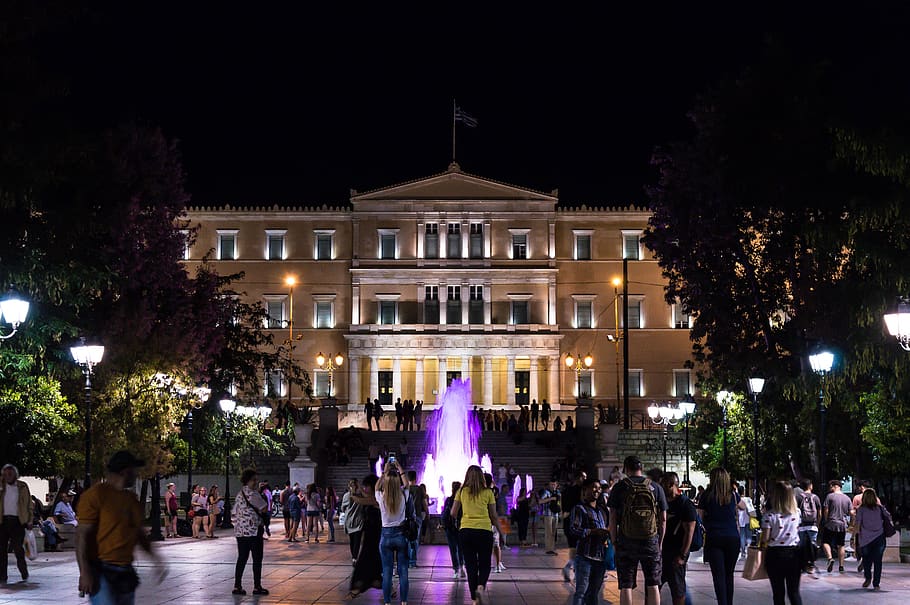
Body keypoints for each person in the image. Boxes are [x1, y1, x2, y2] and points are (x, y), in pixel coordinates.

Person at [76, 451, 165, 603]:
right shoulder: (96, 495)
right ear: (125, 471)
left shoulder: (132, 500)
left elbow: (139, 534)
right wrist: (85, 572)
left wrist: (156, 559)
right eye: (134, 470)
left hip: (125, 572)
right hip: (101, 571)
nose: (136, 474)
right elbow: (81, 536)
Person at [608, 455, 667, 605]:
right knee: (653, 583)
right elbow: (663, 519)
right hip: (650, 539)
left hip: (626, 539)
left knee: (626, 584)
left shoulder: (620, 487)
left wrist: (614, 541)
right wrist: (659, 542)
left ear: (626, 469)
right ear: (641, 468)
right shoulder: (655, 487)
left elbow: (613, 517)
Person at [451, 465, 500, 605]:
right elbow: (493, 515)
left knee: (470, 565)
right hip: (484, 531)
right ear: (481, 477)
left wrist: (462, 517)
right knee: (485, 563)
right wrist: (501, 532)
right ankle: (481, 586)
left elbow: (453, 512)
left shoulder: (461, 491)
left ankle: (474, 599)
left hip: (466, 531)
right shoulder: (488, 492)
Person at [696, 467, 740, 605]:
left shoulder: (706, 495)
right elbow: (744, 507)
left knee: (718, 575)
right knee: (729, 574)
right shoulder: (732, 494)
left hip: (714, 537)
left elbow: (700, 517)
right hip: (732, 537)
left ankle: (722, 602)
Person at [760, 481, 803, 605]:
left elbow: (765, 538)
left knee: (778, 592)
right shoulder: (797, 513)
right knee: (794, 591)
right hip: (794, 553)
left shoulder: (769, 515)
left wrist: (762, 548)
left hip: (775, 554)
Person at [376, 460, 410, 605]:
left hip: (386, 535)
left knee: (387, 571)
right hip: (401, 535)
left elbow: (376, 487)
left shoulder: (381, 497)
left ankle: (388, 602)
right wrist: (399, 467)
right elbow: (407, 484)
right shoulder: (403, 497)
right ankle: (404, 601)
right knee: (403, 570)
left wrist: (384, 472)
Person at [231, 468, 270, 596]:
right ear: (248, 480)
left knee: (242, 558)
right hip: (254, 531)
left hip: (241, 532)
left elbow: (234, 512)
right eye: (254, 480)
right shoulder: (254, 494)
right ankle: (257, 586)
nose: (256, 482)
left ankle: (237, 586)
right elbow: (264, 508)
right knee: (257, 559)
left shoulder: (239, 494)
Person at [659, 472, 695, 605]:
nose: (661, 487)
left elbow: (689, 532)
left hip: (675, 552)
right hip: (661, 551)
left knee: (678, 590)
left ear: (671, 485)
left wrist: (682, 555)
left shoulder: (685, 504)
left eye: (663, 484)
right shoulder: (661, 502)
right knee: (653, 587)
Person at [349, 474, 383, 597]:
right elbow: (365, 495)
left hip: (375, 534)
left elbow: (359, 500)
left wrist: (353, 493)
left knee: (367, 558)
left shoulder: (376, 499)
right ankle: (376, 582)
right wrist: (358, 487)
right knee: (371, 559)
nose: (364, 489)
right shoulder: (373, 497)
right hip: (370, 533)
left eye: (366, 486)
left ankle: (359, 585)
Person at [0, 463, 32, 584]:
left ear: (15, 474)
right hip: (2, 521)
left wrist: (29, 519)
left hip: (17, 521)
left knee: (18, 548)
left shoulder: (22, 486)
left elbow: (29, 504)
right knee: (1, 550)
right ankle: (2, 576)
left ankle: (23, 571)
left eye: (10, 473)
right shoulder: (1, 487)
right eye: (5, 474)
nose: (8, 476)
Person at [855, 487, 889, 591]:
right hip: (879, 538)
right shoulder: (879, 508)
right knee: (878, 561)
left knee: (866, 560)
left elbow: (857, 524)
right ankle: (876, 584)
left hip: (865, 539)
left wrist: (854, 537)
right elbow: (888, 517)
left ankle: (868, 578)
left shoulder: (861, 509)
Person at [821, 479, 851, 574]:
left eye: (831, 486)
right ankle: (841, 566)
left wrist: (826, 520)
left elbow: (825, 510)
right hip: (842, 524)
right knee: (841, 545)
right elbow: (851, 512)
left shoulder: (830, 496)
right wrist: (851, 524)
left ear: (836, 486)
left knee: (825, 542)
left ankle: (830, 558)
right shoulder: (847, 498)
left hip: (831, 523)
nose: (830, 488)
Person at [562, 470, 587, 582]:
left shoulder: (566, 490)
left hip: (568, 521)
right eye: (583, 477)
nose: (585, 479)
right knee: (580, 548)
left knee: (573, 547)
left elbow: (564, 509)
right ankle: (574, 571)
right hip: (578, 522)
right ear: (579, 478)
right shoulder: (581, 491)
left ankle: (570, 568)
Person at [851, 479, 878, 573]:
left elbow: (853, 512)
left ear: (861, 487)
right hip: (874, 528)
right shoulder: (876, 498)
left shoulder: (857, 498)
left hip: (861, 526)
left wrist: (853, 526)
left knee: (860, 546)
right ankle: (867, 561)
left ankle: (863, 559)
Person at [796, 479, 821, 575]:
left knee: (801, 545)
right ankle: (811, 564)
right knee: (813, 545)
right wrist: (817, 523)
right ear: (810, 486)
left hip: (801, 525)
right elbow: (819, 512)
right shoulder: (815, 497)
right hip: (813, 525)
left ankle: (803, 564)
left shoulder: (798, 497)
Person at [443, 481, 465, 578]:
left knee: (453, 549)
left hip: (450, 527)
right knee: (461, 549)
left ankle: (456, 570)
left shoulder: (448, 500)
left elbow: (444, 512)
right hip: (461, 526)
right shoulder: (463, 500)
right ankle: (461, 566)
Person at [342, 479, 364, 564]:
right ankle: (355, 557)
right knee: (357, 540)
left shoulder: (346, 496)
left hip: (349, 520)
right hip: (358, 520)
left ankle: (353, 557)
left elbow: (343, 508)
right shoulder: (360, 495)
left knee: (352, 540)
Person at [539, 479, 561, 555]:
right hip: (548, 514)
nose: (553, 486)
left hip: (556, 514)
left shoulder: (558, 492)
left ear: (556, 485)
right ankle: (549, 549)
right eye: (551, 484)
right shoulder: (546, 492)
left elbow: (559, 502)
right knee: (549, 532)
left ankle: (552, 548)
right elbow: (540, 501)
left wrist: (560, 512)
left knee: (554, 532)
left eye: (554, 484)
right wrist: (551, 499)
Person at [736, 484, 755, 556]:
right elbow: (752, 509)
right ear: (743, 491)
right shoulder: (748, 499)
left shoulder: (737, 499)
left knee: (742, 536)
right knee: (749, 535)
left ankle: (743, 551)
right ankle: (748, 548)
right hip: (748, 519)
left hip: (740, 520)